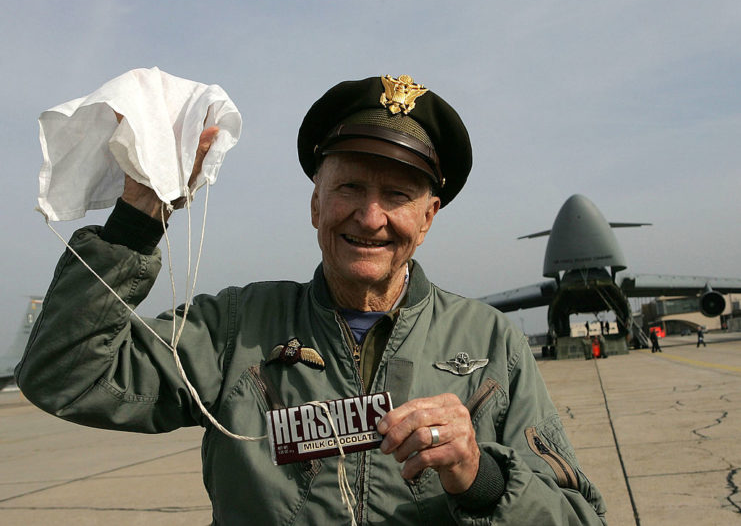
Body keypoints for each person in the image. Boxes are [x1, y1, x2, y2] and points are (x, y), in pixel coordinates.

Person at [16, 74, 606, 524]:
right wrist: (140, 215)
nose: (370, 217)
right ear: (316, 204)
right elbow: (66, 375)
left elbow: (582, 513)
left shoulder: (491, 343)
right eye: (349, 187)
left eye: (397, 195)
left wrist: (481, 477)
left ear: (427, 219)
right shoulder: (235, 330)